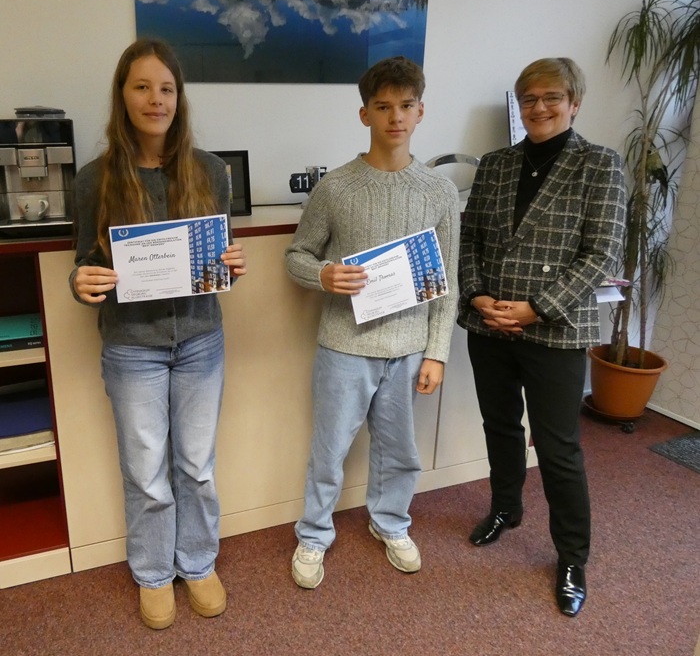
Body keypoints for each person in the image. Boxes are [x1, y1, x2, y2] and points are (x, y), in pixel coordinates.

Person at [69, 39, 247, 629]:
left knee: (196, 466)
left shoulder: (210, 172)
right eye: (142, 87)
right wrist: (81, 281)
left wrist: (231, 264)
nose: (155, 99)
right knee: (146, 473)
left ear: (179, 97)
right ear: (122, 96)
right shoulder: (94, 180)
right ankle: (152, 573)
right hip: (131, 348)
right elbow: (84, 263)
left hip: (200, 341)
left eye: (166, 88)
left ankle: (197, 562)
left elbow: (217, 257)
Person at [458, 57, 626, 617]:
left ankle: (573, 557)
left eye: (552, 97)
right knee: (500, 425)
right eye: (529, 98)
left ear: (575, 102)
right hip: (490, 323)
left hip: (555, 328)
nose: (539, 107)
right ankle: (506, 508)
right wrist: (476, 294)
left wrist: (537, 309)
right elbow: (469, 238)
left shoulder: (600, 164)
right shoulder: (495, 164)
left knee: (558, 447)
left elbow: (601, 253)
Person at [285, 56, 459, 589]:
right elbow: (296, 255)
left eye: (406, 106)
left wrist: (437, 352)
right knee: (329, 450)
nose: (395, 117)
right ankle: (314, 533)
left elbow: (447, 281)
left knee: (399, 451)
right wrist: (324, 275)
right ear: (365, 114)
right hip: (344, 345)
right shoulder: (336, 187)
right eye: (383, 107)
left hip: (408, 348)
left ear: (421, 111)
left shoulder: (440, 191)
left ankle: (391, 523)